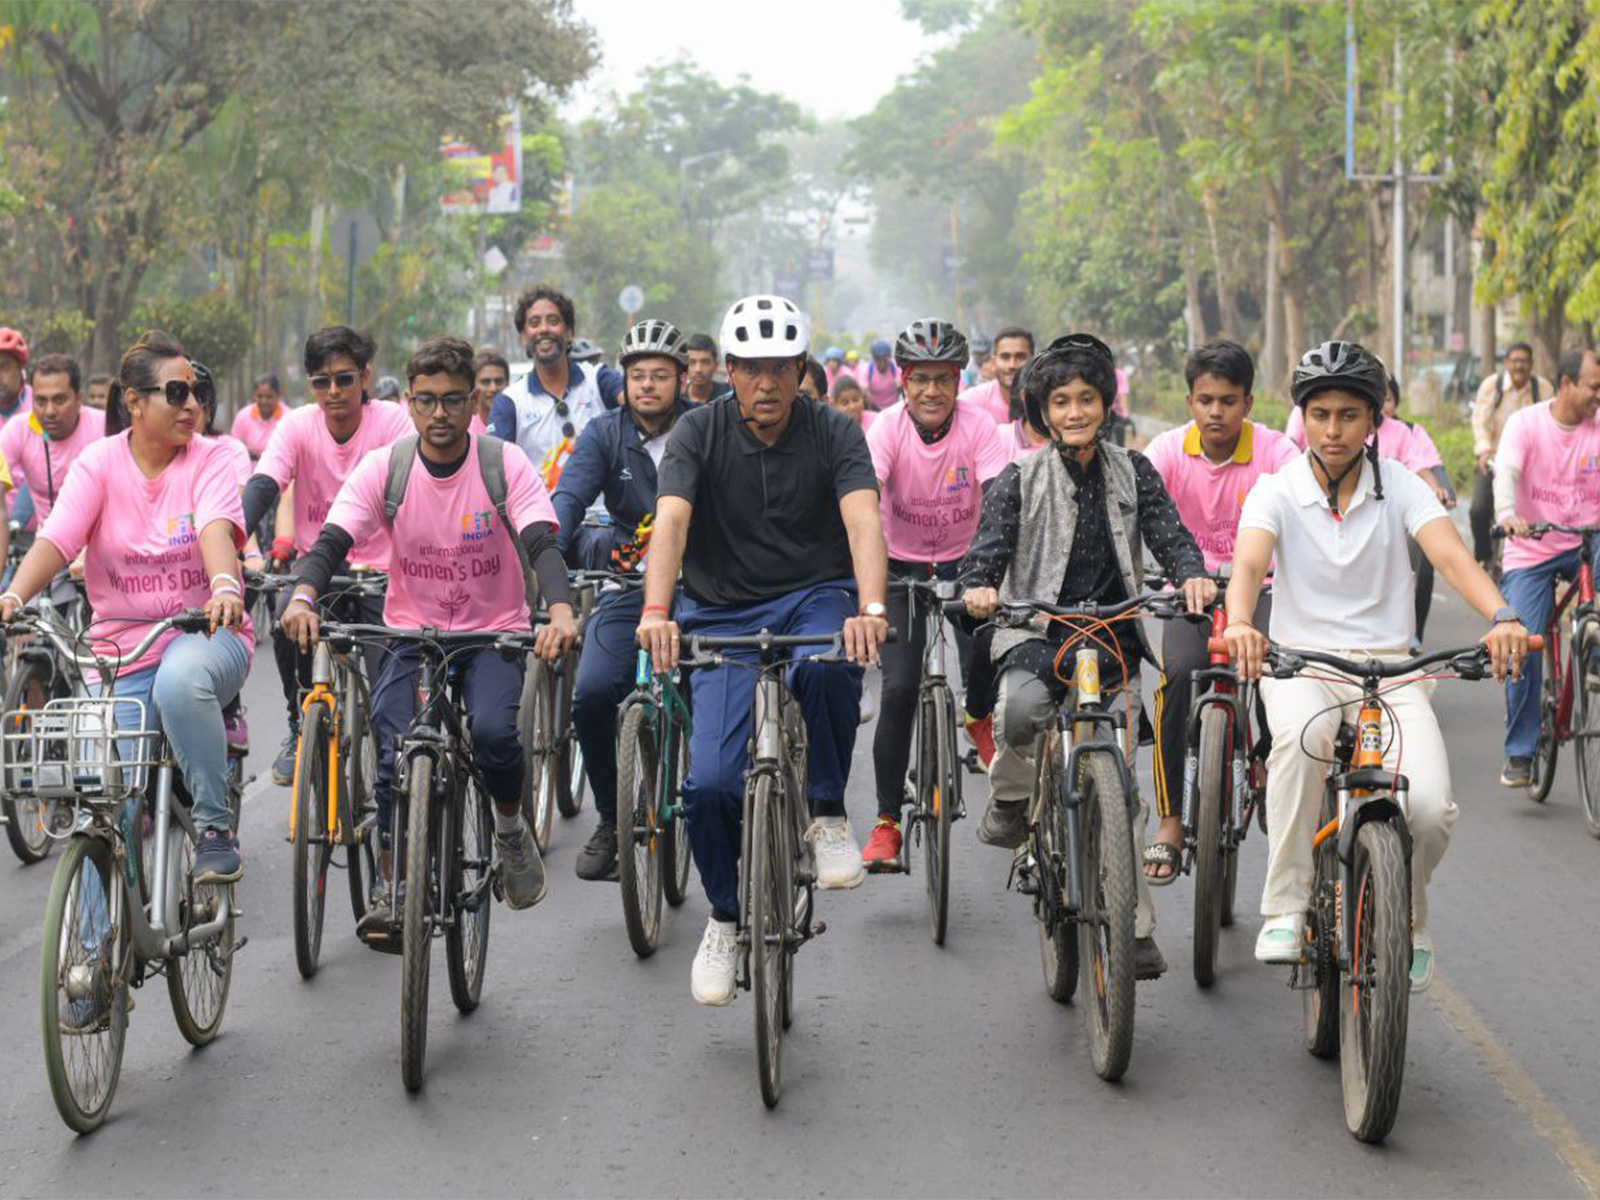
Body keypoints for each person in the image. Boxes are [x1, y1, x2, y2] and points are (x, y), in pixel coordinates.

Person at [1222, 340, 1528, 990]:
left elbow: (1451, 559)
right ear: (1303, 416)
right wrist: (1244, 624)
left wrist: (1501, 615)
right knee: (1300, 751)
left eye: (1349, 415)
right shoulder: (1276, 490)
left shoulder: (1405, 492)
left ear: (1372, 422)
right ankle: (1285, 905)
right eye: (1322, 414)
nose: (1334, 430)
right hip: (1302, 665)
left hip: (1392, 673)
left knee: (1428, 809)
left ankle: (1409, 918)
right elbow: (1249, 564)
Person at [635, 293, 890, 1006]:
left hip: (815, 597)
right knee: (710, 785)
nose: (766, 384)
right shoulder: (696, 433)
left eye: (780, 368)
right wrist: (658, 610)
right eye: (750, 368)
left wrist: (870, 608)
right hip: (720, 612)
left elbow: (864, 521)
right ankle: (724, 916)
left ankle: (828, 811)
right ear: (728, 371)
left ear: (801, 369)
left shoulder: (835, 432)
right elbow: (672, 525)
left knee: (832, 661)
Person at [280, 336, 577, 927]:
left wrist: (562, 609)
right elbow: (331, 542)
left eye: (452, 400)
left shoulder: (502, 463)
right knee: (394, 752)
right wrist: (303, 594)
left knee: (495, 734)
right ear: (409, 405)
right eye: (426, 401)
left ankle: (510, 828)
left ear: (473, 404)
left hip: (492, 633)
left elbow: (541, 541)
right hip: (412, 635)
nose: (439, 414)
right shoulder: (385, 468)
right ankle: (394, 881)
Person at [959, 333, 1213, 980]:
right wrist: (982, 589)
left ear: (1107, 404)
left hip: (1116, 634)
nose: (1075, 412)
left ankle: (1136, 930)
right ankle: (1013, 800)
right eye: (1061, 402)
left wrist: (1191, 576)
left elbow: (1172, 537)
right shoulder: (1019, 478)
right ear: (1042, 413)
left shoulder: (1136, 471)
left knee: (1123, 786)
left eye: (1087, 399)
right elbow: (986, 553)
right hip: (1038, 632)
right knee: (1020, 711)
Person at [2, 331, 253, 882]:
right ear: (133, 402)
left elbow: (215, 529)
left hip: (207, 636)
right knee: (103, 804)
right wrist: (13, 596)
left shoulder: (210, 459)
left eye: (194, 393)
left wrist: (225, 587)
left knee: (179, 681)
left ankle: (213, 824)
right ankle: (92, 957)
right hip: (117, 651)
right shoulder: (98, 464)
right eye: (175, 392)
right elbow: (57, 539)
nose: (192, 405)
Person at [1140, 340, 1296, 882]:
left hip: (1264, 589)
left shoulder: (1279, 454)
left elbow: (1305, 518)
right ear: (1189, 401)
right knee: (1176, 677)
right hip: (1189, 593)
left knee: (1282, 681)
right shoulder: (1163, 451)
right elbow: (1131, 508)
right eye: (1205, 400)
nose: (1215, 412)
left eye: (1228, 401)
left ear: (1248, 404)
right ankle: (1169, 820)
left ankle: (1270, 765)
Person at [861, 319, 1006, 869]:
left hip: (968, 562)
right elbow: (867, 495)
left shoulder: (980, 425)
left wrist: (988, 574)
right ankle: (886, 823)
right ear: (902, 380)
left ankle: (978, 716)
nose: (931, 391)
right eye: (919, 379)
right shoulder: (886, 429)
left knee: (987, 652)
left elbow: (997, 499)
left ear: (958, 380)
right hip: (901, 567)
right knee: (898, 687)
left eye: (943, 379)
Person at [242, 326, 413, 784]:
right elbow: (264, 486)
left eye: (344, 379)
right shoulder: (297, 426)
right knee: (284, 617)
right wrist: (231, 537)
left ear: (366, 377)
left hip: (384, 572)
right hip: (319, 568)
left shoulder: (394, 423)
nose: (333, 392)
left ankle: (391, 794)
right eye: (321, 382)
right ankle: (301, 724)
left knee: (390, 706)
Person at [556, 318, 695, 881]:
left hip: (703, 593)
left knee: (713, 701)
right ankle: (612, 818)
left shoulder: (707, 427)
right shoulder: (603, 433)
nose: (648, 386)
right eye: (638, 375)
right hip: (627, 586)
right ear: (625, 380)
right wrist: (548, 551)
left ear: (681, 379)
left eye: (661, 375)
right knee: (590, 695)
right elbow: (568, 498)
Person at [1493, 346, 1600, 788]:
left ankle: (1593, 645)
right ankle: (1520, 750)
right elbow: (1507, 473)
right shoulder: (1526, 424)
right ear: (1566, 384)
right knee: (1523, 644)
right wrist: (1506, 514)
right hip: (1532, 545)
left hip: (1588, 539)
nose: (1599, 395)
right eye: (1594, 386)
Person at [487, 285, 623, 487]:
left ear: (569, 332)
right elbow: (493, 469)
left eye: (553, 321)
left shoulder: (598, 380)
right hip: (541, 515)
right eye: (534, 323)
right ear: (523, 337)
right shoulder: (509, 403)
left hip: (602, 514)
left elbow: (636, 404)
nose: (543, 329)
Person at [1, 353, 107, 531]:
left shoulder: (105, 428)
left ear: (79, 399)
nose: (49, 411)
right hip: (49, 548)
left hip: (99, 548)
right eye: (41, 401)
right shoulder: (18, 430)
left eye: (59, 400)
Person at [1472, 342, 1551, 568]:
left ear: (1532, 364)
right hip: (1495, 461)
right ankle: (1485, 558)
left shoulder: (1543, 389)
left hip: (1532, 465)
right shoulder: (1491, 386)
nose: (1519, 366)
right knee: (1478, 510)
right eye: (1514, 361)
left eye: (1524, 361)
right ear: (1506, 363)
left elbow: (1551, 425)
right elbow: (1480, 421)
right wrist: (1484, 449)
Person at [959, 326, 1033, 424]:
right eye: (1005, 357)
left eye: (1020, 357)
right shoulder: (974, 399)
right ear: (993, 362)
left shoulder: (1045, 399)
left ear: (1033, 361)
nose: (1012, 365)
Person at [0, 327, 36, 526]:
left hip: (32, 527)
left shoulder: (39, 405)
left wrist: (17, 518)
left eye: (3, 367)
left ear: (20, 368)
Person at [231, 374, 287, 460]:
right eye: (259, 397)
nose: (264, 401)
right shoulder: (243, 416)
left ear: (278, 396)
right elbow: (234, 448)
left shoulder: (288, 417)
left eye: (269, 397)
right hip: (248, 470)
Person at [471, 348, 509, 435]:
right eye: (485, 382)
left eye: (499, 381)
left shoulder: (520, 423)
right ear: (473, 386)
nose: (493, 388)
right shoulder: (465, 428)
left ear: (507, 384)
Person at [684, 333, 731, 404]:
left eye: (705, 362)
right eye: (692, 362)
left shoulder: (729, 396)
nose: (698, 369)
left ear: (716, 366)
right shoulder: (675, 398)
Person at [860, 339, 901, 412]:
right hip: (875, 408)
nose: (882, 363)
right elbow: (864, 389)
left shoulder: (894, 367)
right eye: (878, 360)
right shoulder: (867, 369)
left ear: (889, 357)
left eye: (885, 359)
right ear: (874, 359)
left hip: (894, 407)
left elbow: (900, 383)